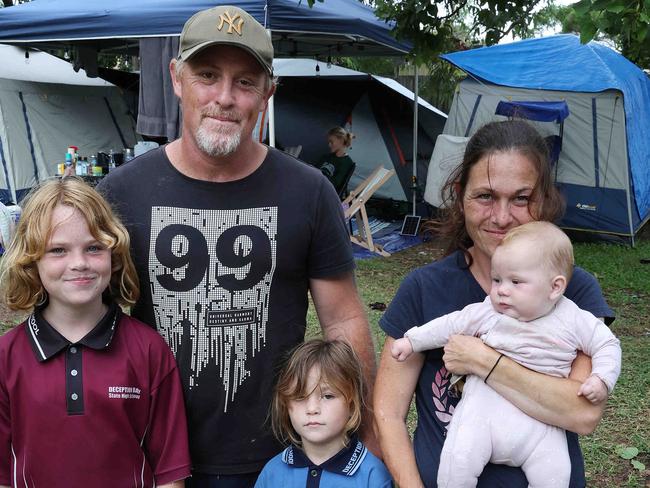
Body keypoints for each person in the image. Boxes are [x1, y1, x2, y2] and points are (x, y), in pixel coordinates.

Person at [97, 6, 377, 487]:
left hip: (279, 459)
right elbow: (88, 326)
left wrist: (362, 441)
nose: (224, 98)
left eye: (245, 82)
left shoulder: (309, 192)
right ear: (176, 78)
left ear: (268, 93)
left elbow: (345, 320)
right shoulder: (120, 194)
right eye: (207, 75)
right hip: (151, 454)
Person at [373, 119, 615, 488]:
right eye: (485, 196)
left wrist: (483, 361)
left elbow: (581, 413)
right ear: (460, 194)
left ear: (543, 199)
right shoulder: (424, 288)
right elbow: (388, 414)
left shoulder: (570, 291)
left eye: (521, 198)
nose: (502, 218)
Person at [391, 221, 621, 487]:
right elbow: (450, 324)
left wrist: (602, 378)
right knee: (458, 461)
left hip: (541, 427)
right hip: (483, 412)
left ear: (555, 287)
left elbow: (607, 345)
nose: (501, 290)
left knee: (556, 473)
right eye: (497, 279)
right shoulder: (489, 310)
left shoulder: (574, 318)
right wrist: (411, 341)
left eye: (515, 282)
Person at [0, 177, 191, 488]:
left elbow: (170, 475)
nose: (79, 263)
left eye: (93, 248)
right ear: (31, 261)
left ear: (113, 256)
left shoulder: (148, 349)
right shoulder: (6, 357)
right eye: (58, 250)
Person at [255, 339, 392, 487]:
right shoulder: (272, 473)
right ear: (285, 405)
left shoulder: (372, 475)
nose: (312, 409)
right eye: (300, 397)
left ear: (352, 405)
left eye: (328, 396)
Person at [316, 127, 356, 196]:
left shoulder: (347, 163)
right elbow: (313, 171)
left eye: (331, 142)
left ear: (341, 140)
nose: (329, 145)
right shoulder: (325, 157)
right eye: (328, 142)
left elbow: (335, 184)